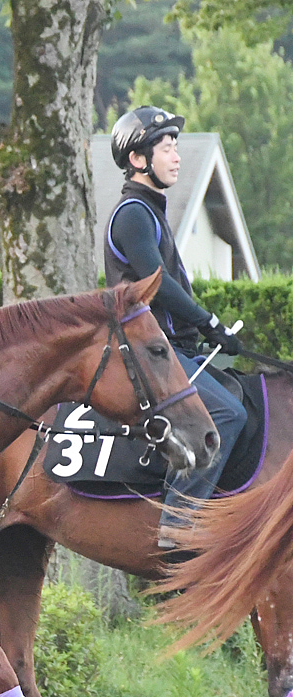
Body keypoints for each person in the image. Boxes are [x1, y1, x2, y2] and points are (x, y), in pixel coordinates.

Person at [105, 106, 246, 550]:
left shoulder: (151, 211)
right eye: (167, 147)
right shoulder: (132, 214)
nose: (177, 156)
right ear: (138, 160)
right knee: (227, 413)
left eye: (176, 147)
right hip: (146, 355)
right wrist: (208, 321)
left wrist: (202, 333)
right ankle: (177, 522)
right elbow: (156, 284)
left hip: (166, 347)